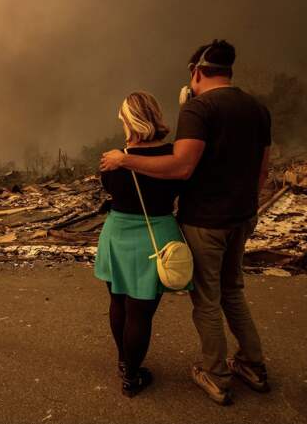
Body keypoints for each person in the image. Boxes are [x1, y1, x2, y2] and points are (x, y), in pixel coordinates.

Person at [100, 39, 271, 405]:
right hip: (242, 216)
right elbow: (263, 166)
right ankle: (253, 365)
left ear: (196, 71)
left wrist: (125, 159)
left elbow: (182, 167)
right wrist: (248, 206)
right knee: (233, 292)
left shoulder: (199, 109)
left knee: (206, 300)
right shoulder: (258, 107)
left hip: (206, 221)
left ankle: (215, 375)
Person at [95, 91, 190, 397]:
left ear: (130, 120)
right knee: (140, 313)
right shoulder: (174, 156)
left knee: (118, 302)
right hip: (156, 235)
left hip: (118, 234)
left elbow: (109, 188)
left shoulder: (112, 160)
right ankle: (132, 375)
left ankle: (125, 364)